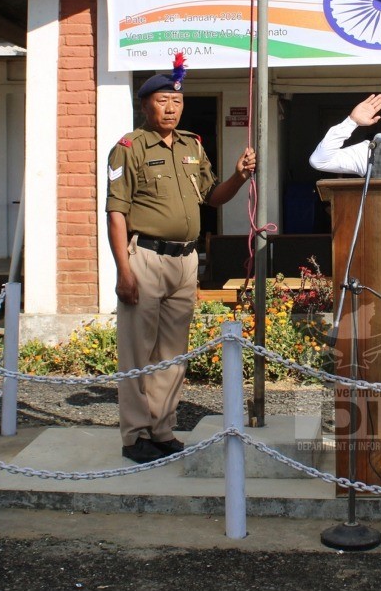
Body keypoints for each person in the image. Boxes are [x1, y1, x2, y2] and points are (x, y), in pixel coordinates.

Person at [106, 58, 256, 463]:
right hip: (146, 259)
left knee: (172, 353)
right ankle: (135, 434)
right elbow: (116, 212)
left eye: (177, 100)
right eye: (162, 100)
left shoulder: (193, 145)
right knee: (138, 351)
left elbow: (213, 197)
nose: (171, 108)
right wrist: (123, 269)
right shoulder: (129, 148)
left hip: (186, 260)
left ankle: (162, 428)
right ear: (145, 106)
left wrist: (239, 176)